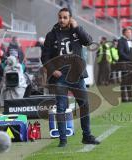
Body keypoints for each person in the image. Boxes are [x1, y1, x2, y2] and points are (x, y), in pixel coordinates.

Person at [42, 7, 100, 147]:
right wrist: (52, 69)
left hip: (77, 75)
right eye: (60, 17)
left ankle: (87, 136)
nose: (62, 20)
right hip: (60, 77)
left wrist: (77, 27)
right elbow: (44, 56)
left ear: (70, 18)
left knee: (84, 105)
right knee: (61, 108)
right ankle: (63, 140)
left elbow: (88, 42)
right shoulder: (51, 35)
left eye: (65, 17)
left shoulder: (77, 31)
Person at [117, 28, 132, 103]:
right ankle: (124, 98)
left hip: (131, 63)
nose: (130, 34)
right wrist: (129, 59)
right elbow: (120, 52)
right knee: (124, 81)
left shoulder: (131, 41)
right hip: (124, 63)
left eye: (130, 32)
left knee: (130, 81)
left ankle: (130, 97)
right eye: (128, 32)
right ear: (124, 33)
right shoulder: (121, 41)